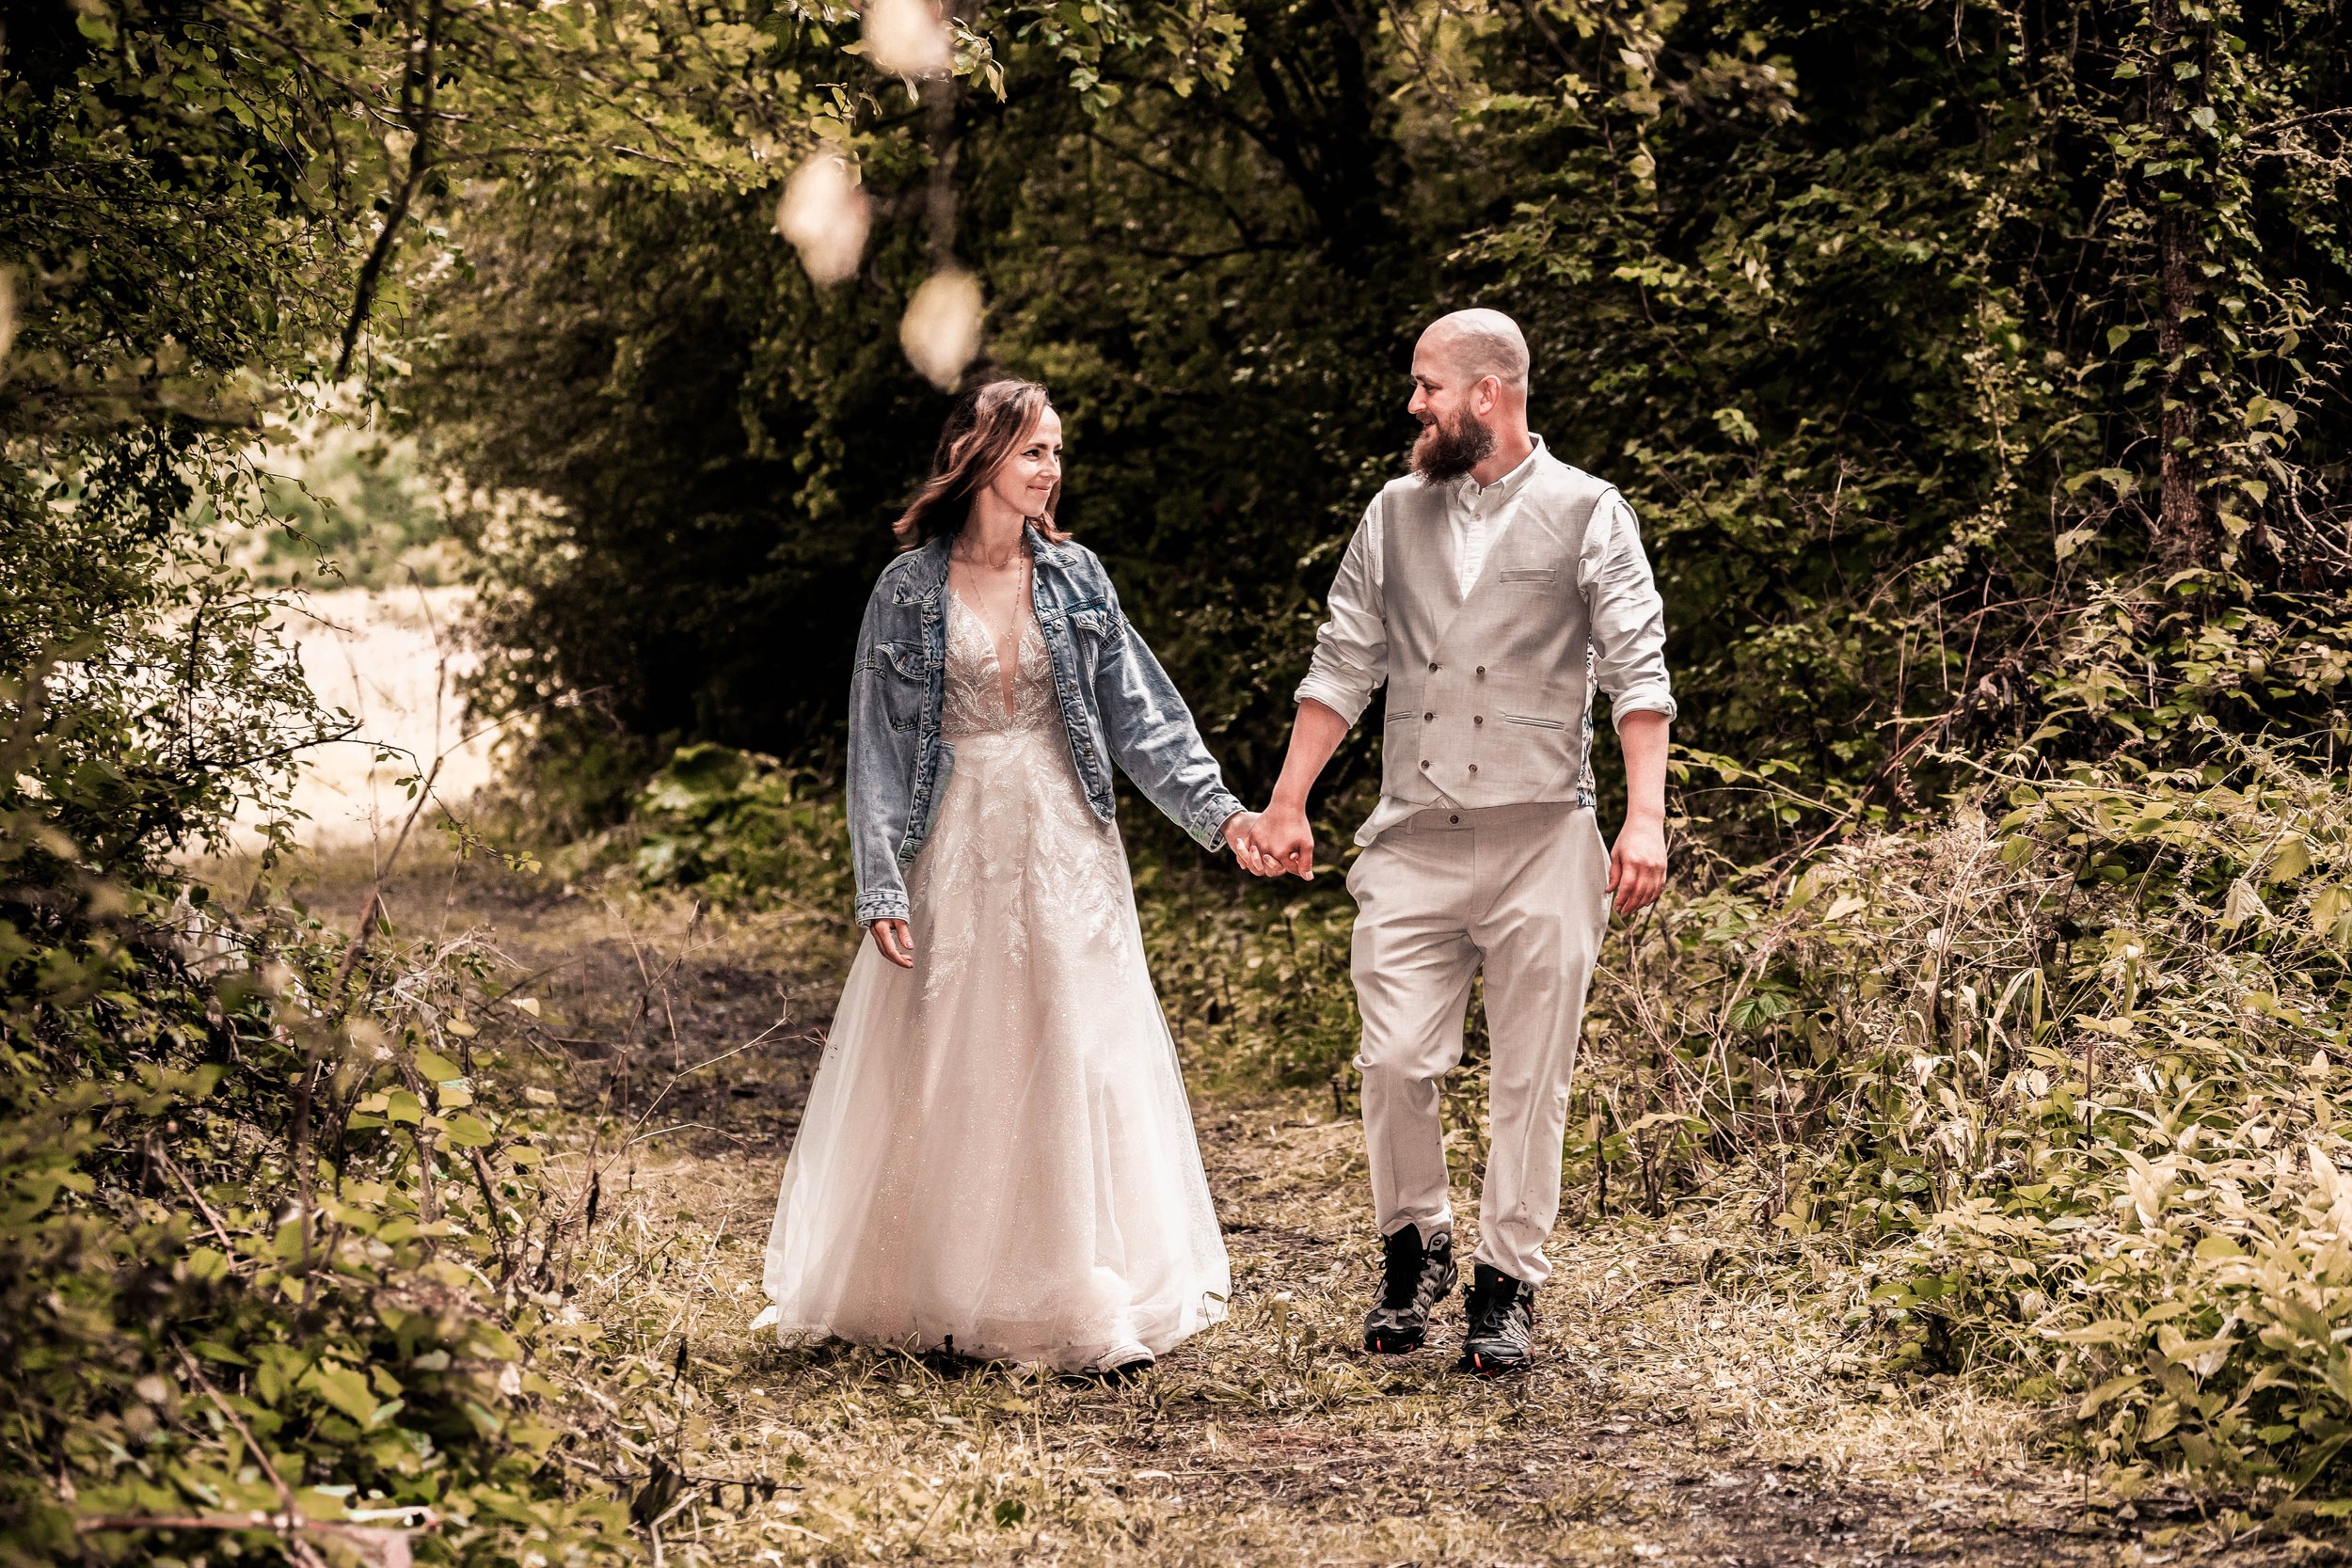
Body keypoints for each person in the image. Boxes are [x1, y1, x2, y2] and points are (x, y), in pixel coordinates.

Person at [755, 378, 1271, 1377]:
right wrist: (881, 882)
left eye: (1057, 452)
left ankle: (1084, 1293)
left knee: (1075, 1043)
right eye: (1035, 450)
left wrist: (1223, 815)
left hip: (1069, 840)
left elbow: (1144, 717)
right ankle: (942, 1288)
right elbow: (875, 746)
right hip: (952, 839)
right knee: (961, 1045)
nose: (1052, 469)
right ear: (981, 454)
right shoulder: (905, 589)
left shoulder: (1078, 577)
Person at [1240, 309, 1675, 1375]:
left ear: (1489, 393)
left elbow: (1637, 673)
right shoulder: (1391, 515)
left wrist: (1645, 816)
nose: (1414, 403)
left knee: (1533, 1075)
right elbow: (1340, 661)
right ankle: (1414, 1242)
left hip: (1543, 836)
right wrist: (1288, 798)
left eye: (1429, 384)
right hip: (1412, 836)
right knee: (1393, 1057)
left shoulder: (1588, 512)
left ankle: (1505, 1281)